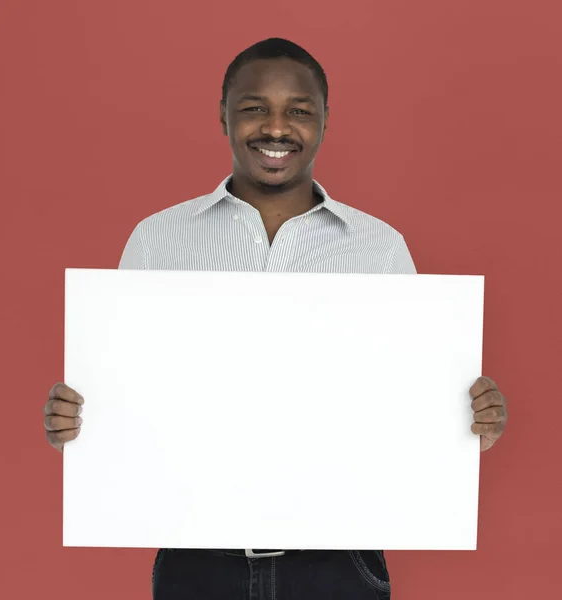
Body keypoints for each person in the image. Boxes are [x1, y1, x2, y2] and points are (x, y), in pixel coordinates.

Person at [43, 38, 509, 600]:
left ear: (325, 120)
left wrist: (470, 427)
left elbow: (410, 403)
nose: (277, 127)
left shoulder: (380, 248)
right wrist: (78, 421)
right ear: (223, 115)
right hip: (197, 562)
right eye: (254, 107)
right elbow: (127, 395)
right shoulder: (159, 239)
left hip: (339, 563)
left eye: (300, 110)